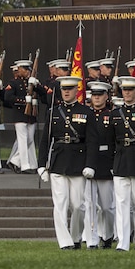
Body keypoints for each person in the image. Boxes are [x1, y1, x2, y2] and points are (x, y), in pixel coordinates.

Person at [100, 76, 135, 251]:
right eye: (125, 90)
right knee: (122, 204)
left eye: (131, 90)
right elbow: (110, 142)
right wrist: (110, 163)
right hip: (121, 161)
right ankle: (123, 242)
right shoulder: (115, 114)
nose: (127, 93)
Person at [38, 76, 92, 249]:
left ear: (77, 90)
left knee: (78, 206)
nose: (67, 92)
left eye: (70, 89)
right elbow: (45, 140)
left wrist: (90, 164)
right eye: (64, 89)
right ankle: (64, 242)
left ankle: (75, 237)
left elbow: (92, 141)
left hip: (78, 161)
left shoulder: (86, 112)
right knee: (60, 204)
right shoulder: (53, 112)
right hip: (58, 161)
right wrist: (41, 165)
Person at [84, 81, 117, 248]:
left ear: (106, 96)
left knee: (107, 207)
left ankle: (108, 235)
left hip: (105, 161)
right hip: (88, 161)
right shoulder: (86, 115)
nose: (96, 98)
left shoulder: (112, 115)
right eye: (94, 95)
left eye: (100, 95)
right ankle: (92, 239)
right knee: (89, 205)